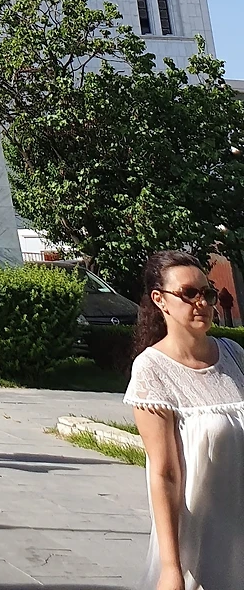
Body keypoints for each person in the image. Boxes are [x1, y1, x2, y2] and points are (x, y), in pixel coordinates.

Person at [127, 250, 244, 590]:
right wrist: (170, 567)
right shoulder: (151, 369)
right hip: (201, 544)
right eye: (189, 293)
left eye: (207, 293)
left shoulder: (235, 356)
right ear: (159, 300)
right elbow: (164, 474)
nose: (202, 303)